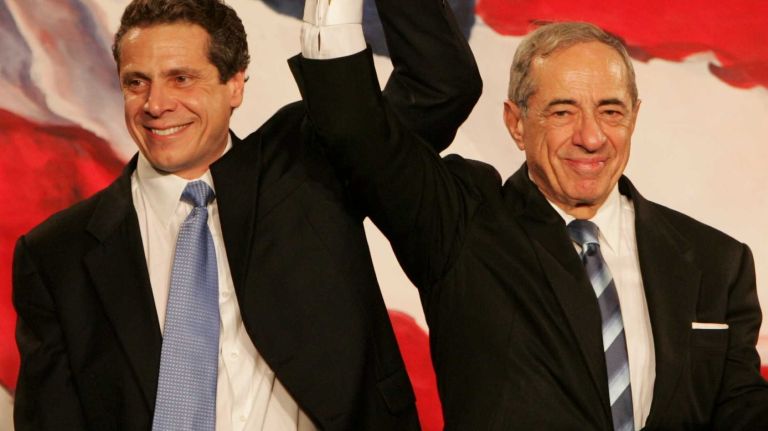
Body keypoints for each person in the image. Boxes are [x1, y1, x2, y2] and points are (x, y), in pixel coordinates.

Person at [11, 0, 481, 429]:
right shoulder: (58, 254)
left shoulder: (310, 164)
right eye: (137, 83)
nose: (156, 105)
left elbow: (438, 88)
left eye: (182, 78)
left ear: (234, 84)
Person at [292, 21, 768, 430]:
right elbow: (354, 126)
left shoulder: (716, 260)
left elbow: (740, 410)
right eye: (562, 112)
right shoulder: (462, 225)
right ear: (516, 123)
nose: (591, 136)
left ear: (634, 118)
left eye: (611, 111)